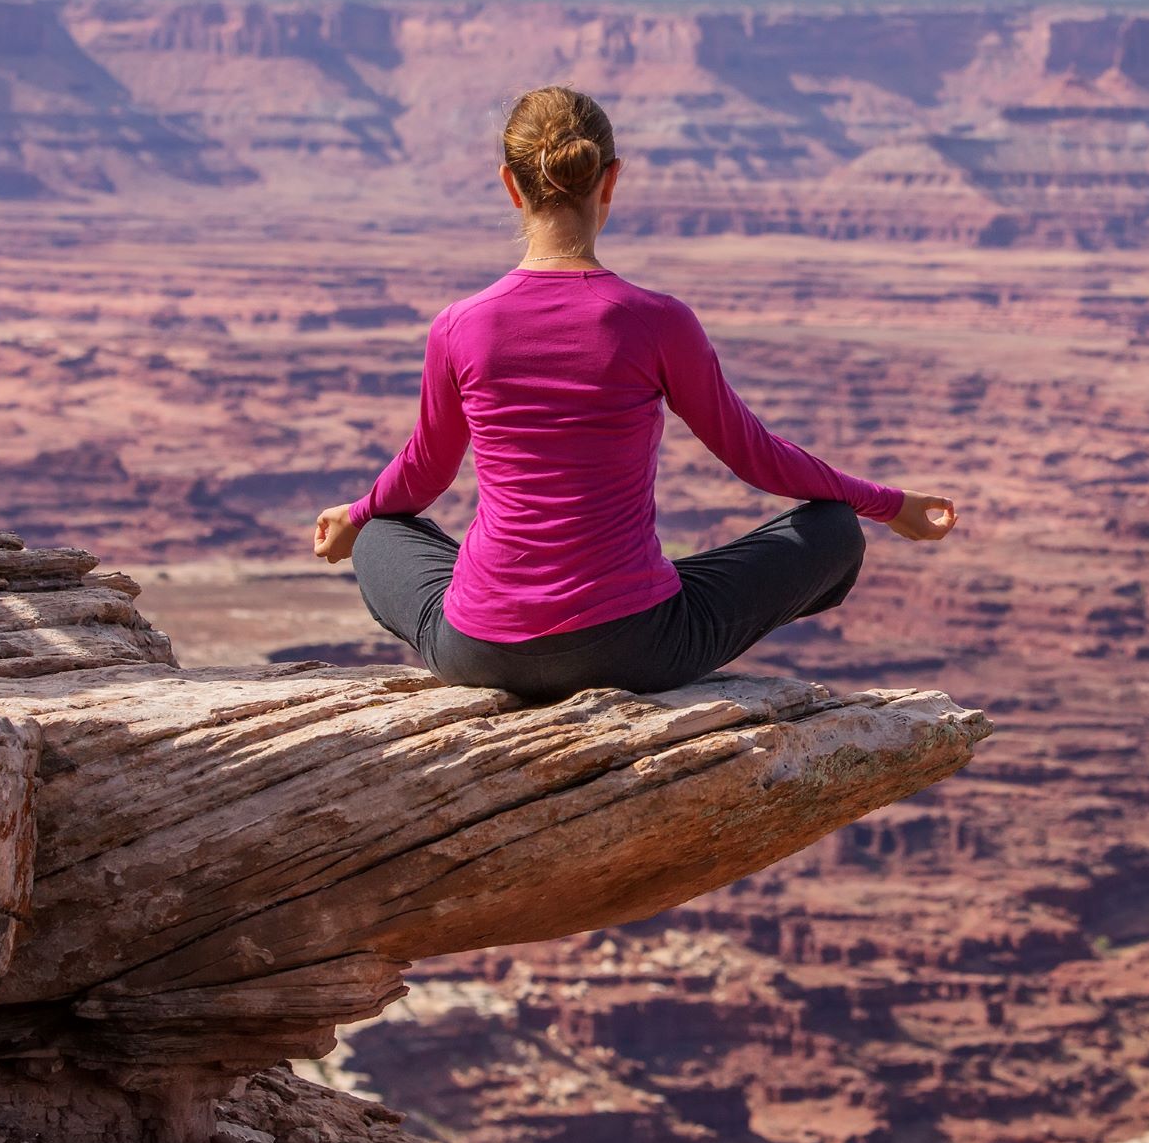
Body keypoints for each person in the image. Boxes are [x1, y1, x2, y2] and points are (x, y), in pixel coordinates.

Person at [311, 85, 955, 703]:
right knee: (834, 529)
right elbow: (755, 457)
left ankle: (456, 600)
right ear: (610, 179)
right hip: (631, 648)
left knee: (379, 533)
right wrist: (888, 503)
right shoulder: (656, 320)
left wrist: (359, 513)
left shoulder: (459, 325)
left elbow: (422, 475)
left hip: (481, 650)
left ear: (510, 187)